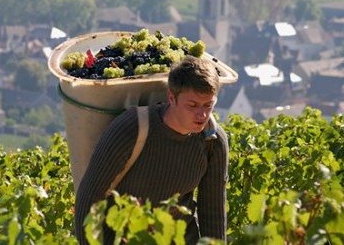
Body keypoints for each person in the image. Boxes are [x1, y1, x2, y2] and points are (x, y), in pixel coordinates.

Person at [74, 55, 229, 244]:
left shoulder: (212, 141)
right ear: (172, 97)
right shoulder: (132, 129)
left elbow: (212, 212)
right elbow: (89, 197)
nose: (202, 114)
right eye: (192, 105)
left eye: (208, 105)